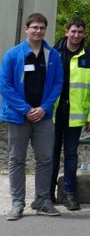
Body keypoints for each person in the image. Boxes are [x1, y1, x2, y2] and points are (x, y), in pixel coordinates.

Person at [1, 13, 63, 220]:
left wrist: (44, 108)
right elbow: (5, 85)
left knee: (45, 158)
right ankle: (17, 202)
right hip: (18, 116)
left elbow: (57, 84)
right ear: (26, 29)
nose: (38, 31)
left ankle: (43, 200)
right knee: (16, 159)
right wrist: (26, 109)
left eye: (42, 28)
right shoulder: (13, 55)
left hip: (43, 117)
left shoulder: (52, 55)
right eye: (34, 27)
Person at [50, 18, 90, 211]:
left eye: (80, 32)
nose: (77, 35)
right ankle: (47, 194)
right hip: (53, 114)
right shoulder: (53, 54)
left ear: (84, 34)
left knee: (71, 154)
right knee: (51, 155)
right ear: (66, 32)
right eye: (73, 31)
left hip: (75, 116)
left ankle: (69, 194)